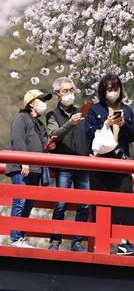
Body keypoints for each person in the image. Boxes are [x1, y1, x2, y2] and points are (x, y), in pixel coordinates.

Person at [85, 73, 134, 256]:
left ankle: (127, 242)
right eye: (109, 89)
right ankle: (101, 243)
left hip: (121, 160)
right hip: (100, 163)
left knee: (126, 200)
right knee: (100, 202)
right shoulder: (94, 110)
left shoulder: (127, 110)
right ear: (103, 90)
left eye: (116, 89)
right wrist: (106, 124)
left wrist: (123, 125)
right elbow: (89, 135)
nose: (113, 93)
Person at [45, 77, 91, 251]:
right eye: (65, 91)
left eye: (72, 90)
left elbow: (91, 134)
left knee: (84, 205)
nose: (70, 94)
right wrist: (69, 124)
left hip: (84, 164)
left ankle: (77, 241)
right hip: (64, 166)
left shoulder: (83, 112)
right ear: (57, 95)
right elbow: (53, 135)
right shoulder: (52, 115)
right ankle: (55, 240)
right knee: (61, 203)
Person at [7, 89, 52, 248]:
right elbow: (18, 139)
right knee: (20, 201)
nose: (44, 103)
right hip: (22, 167)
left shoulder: (39, 123)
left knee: (29, 203)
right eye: (41, 100)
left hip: (36, 169)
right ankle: (15, 238)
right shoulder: (21, 118)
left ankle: (21, 236)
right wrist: (23, 161)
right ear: (31, 102)